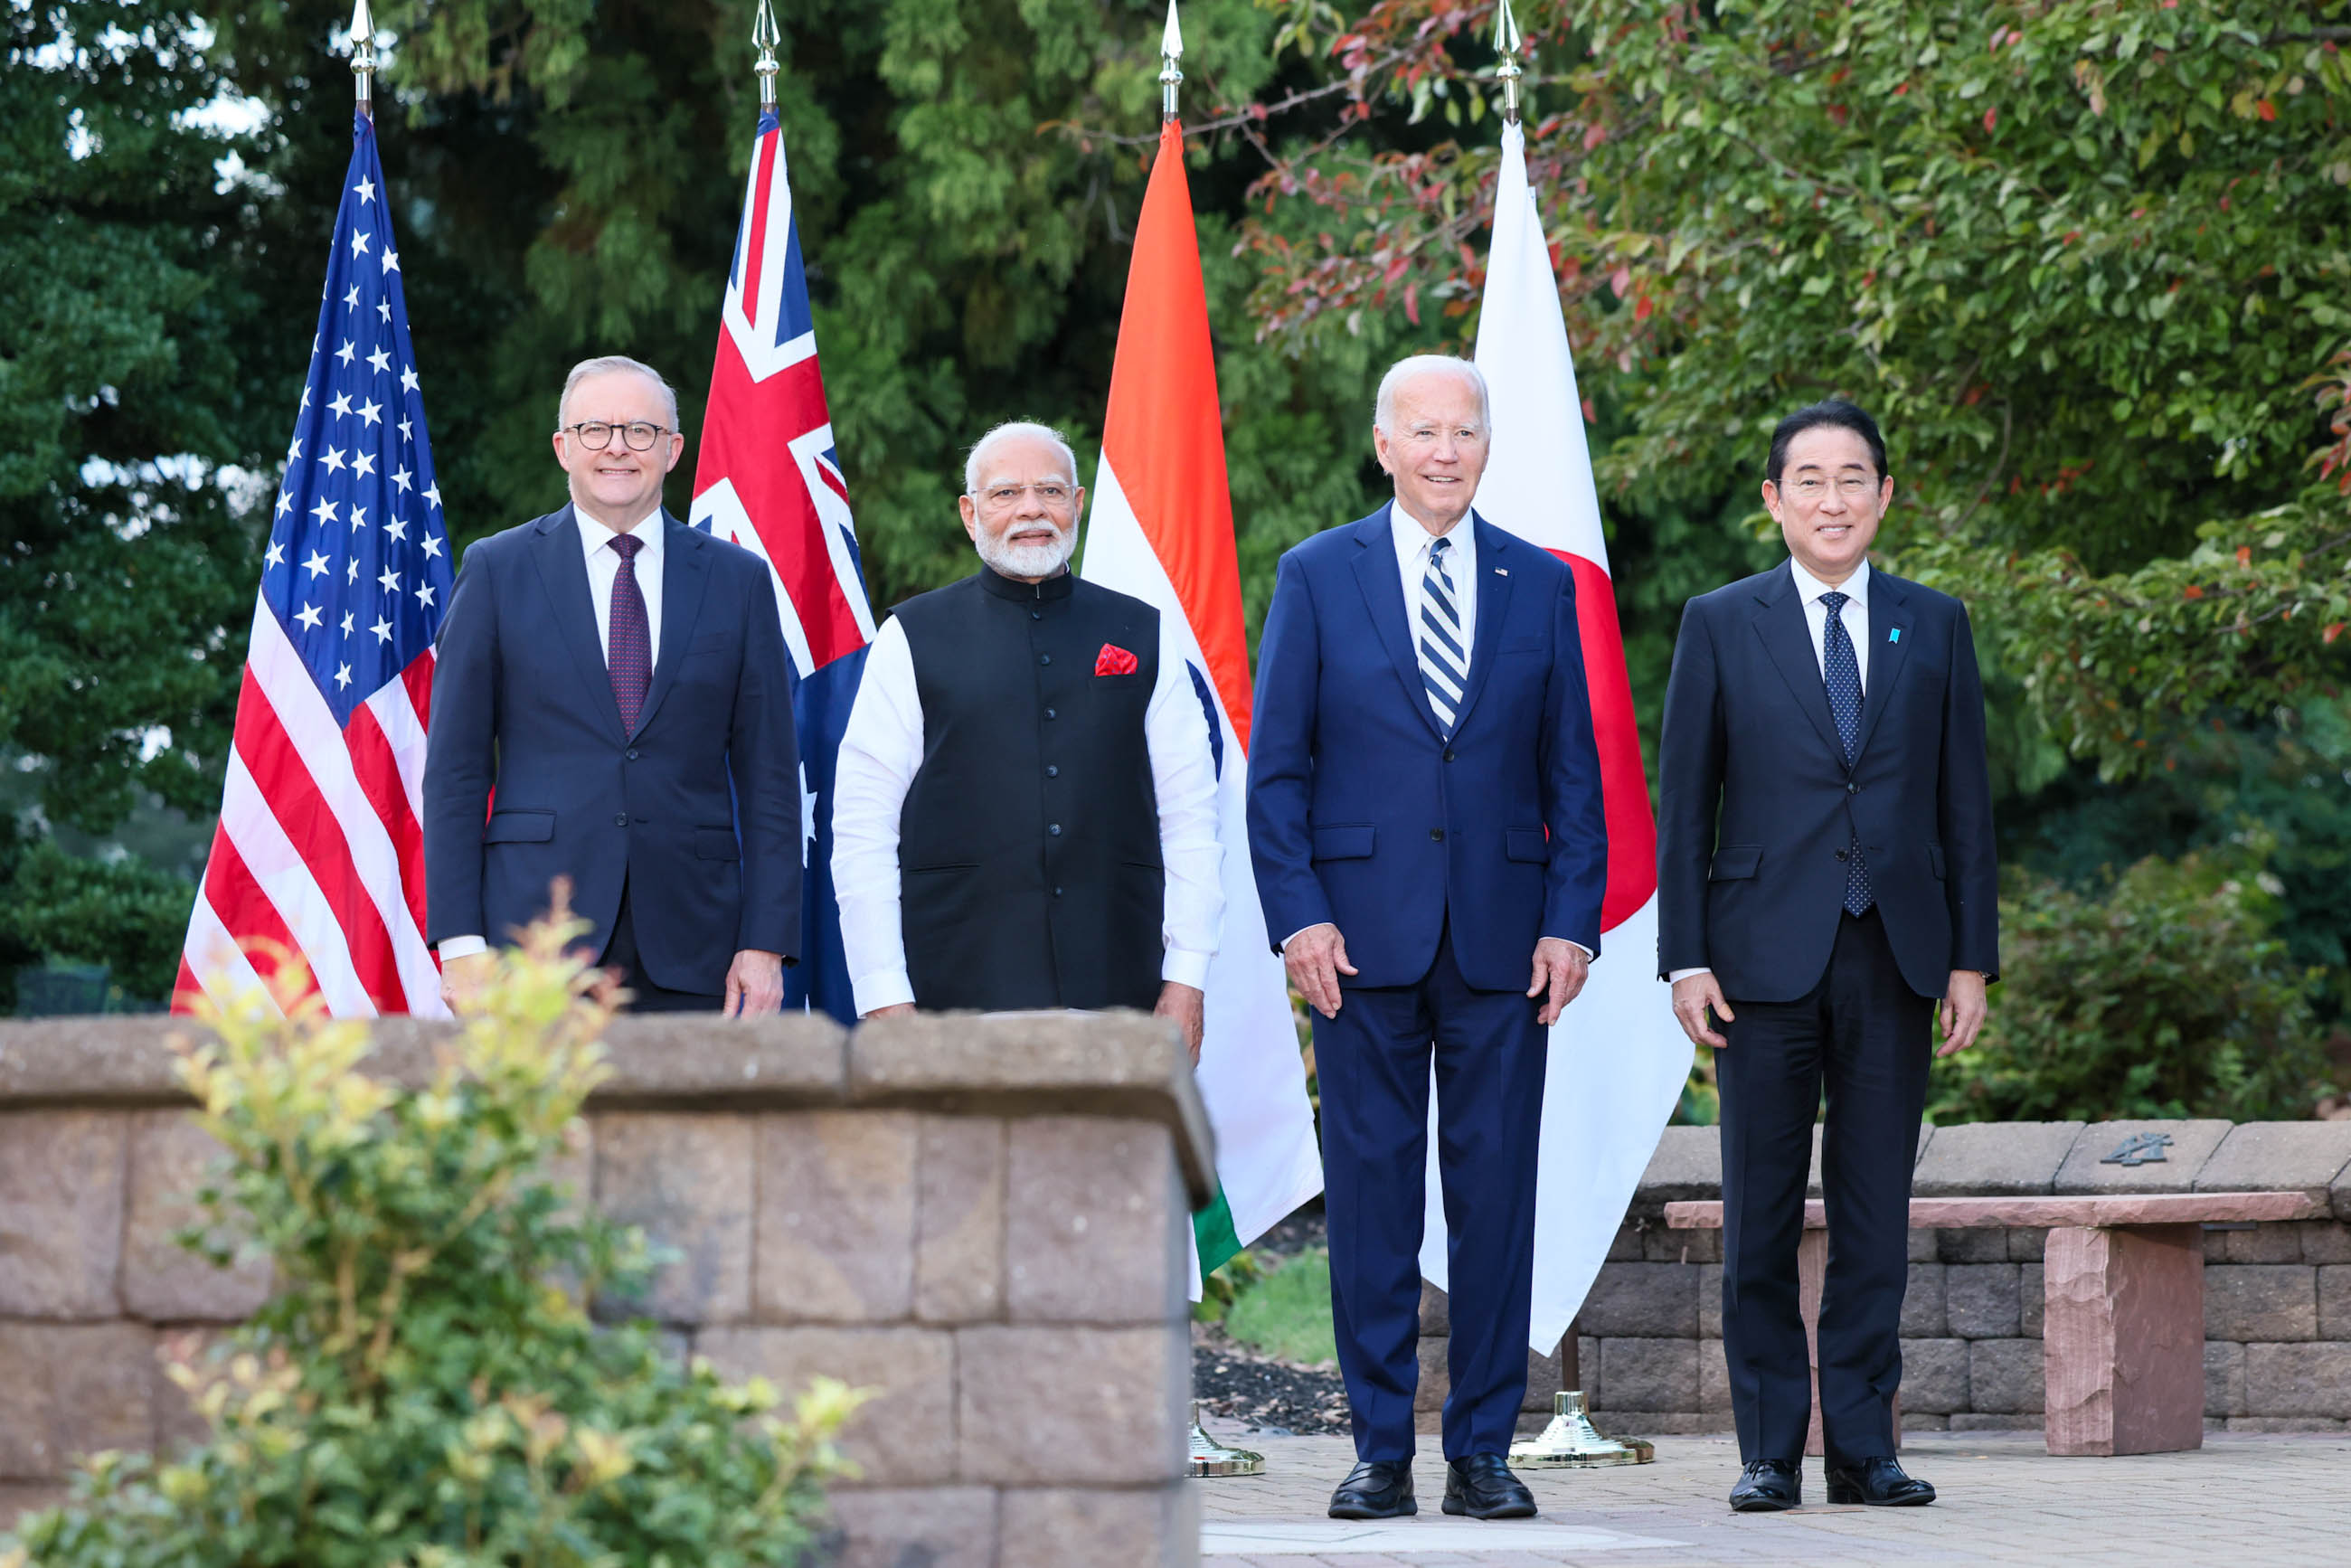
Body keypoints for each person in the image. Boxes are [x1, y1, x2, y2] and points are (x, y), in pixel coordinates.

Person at [1247, 356, 1607, 1522]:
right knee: (1369, 1204)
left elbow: (1574, 775)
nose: (1445, 449)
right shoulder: (1315, 574)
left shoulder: (1539, 585)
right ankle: (1378, 1451)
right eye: (1423, 431)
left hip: (1506, 948)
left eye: (1465, 429)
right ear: (1383, 444)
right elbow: (1278, 773)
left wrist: (1571, 924)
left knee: (1496, 1201)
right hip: (1354, 947)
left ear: (1486, 446)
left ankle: (1482, 1451)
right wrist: (1298, 914)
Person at [1657, 399, 1997, 1513]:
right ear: (1772, 501)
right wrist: (1683, 956)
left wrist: (1968, 958)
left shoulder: (1931, 622)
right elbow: (1683, 803)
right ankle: (1767, 1449)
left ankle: (1862, 1446)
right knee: (1757, 1210)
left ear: (1884, 497)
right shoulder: (1719, 621)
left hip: (1895, 952)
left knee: (1870, 1214)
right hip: (1756, 960)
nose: (1831, 499)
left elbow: (1964, 805)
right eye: (1807, 479)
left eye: (1853, 478)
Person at [829, 421, 1221, 1054]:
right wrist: (882, 993)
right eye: (1006, 493)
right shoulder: (911, 636)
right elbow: (863, 827)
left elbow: (1190, 818)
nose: (1031, 509)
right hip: (952, 997)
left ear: (1078, 504)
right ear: (969, 512)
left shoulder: (1142, 632)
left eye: (1049, 491)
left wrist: (1187, 979)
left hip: (1122, 996)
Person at [424, 355, 801, 1014]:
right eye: (595, 429)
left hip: (698, 944)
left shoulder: (737, 580)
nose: (618, 448)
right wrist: (460, 943)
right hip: (532, 944)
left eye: (641, 431)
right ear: (563, 447)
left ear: (673, 449)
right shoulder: (496, 570)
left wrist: (765, 943)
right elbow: (455, 772)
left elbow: (770, 776)